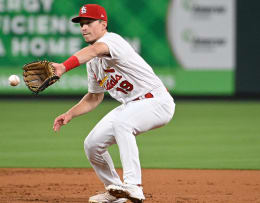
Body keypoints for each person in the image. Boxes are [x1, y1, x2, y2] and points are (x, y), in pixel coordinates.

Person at [51, 4, 175, 203]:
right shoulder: (93, 63)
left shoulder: (112, 40)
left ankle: (134, 186)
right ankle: (115, 191)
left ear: (103, 24)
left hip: (157, 101)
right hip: (131, 106)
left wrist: (64, 67)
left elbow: (94, 50)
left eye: (89, 22)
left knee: (123, 123)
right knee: (92, 144)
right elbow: (94, 97)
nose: (84, 27)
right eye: (81, 24)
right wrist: (70, 114)